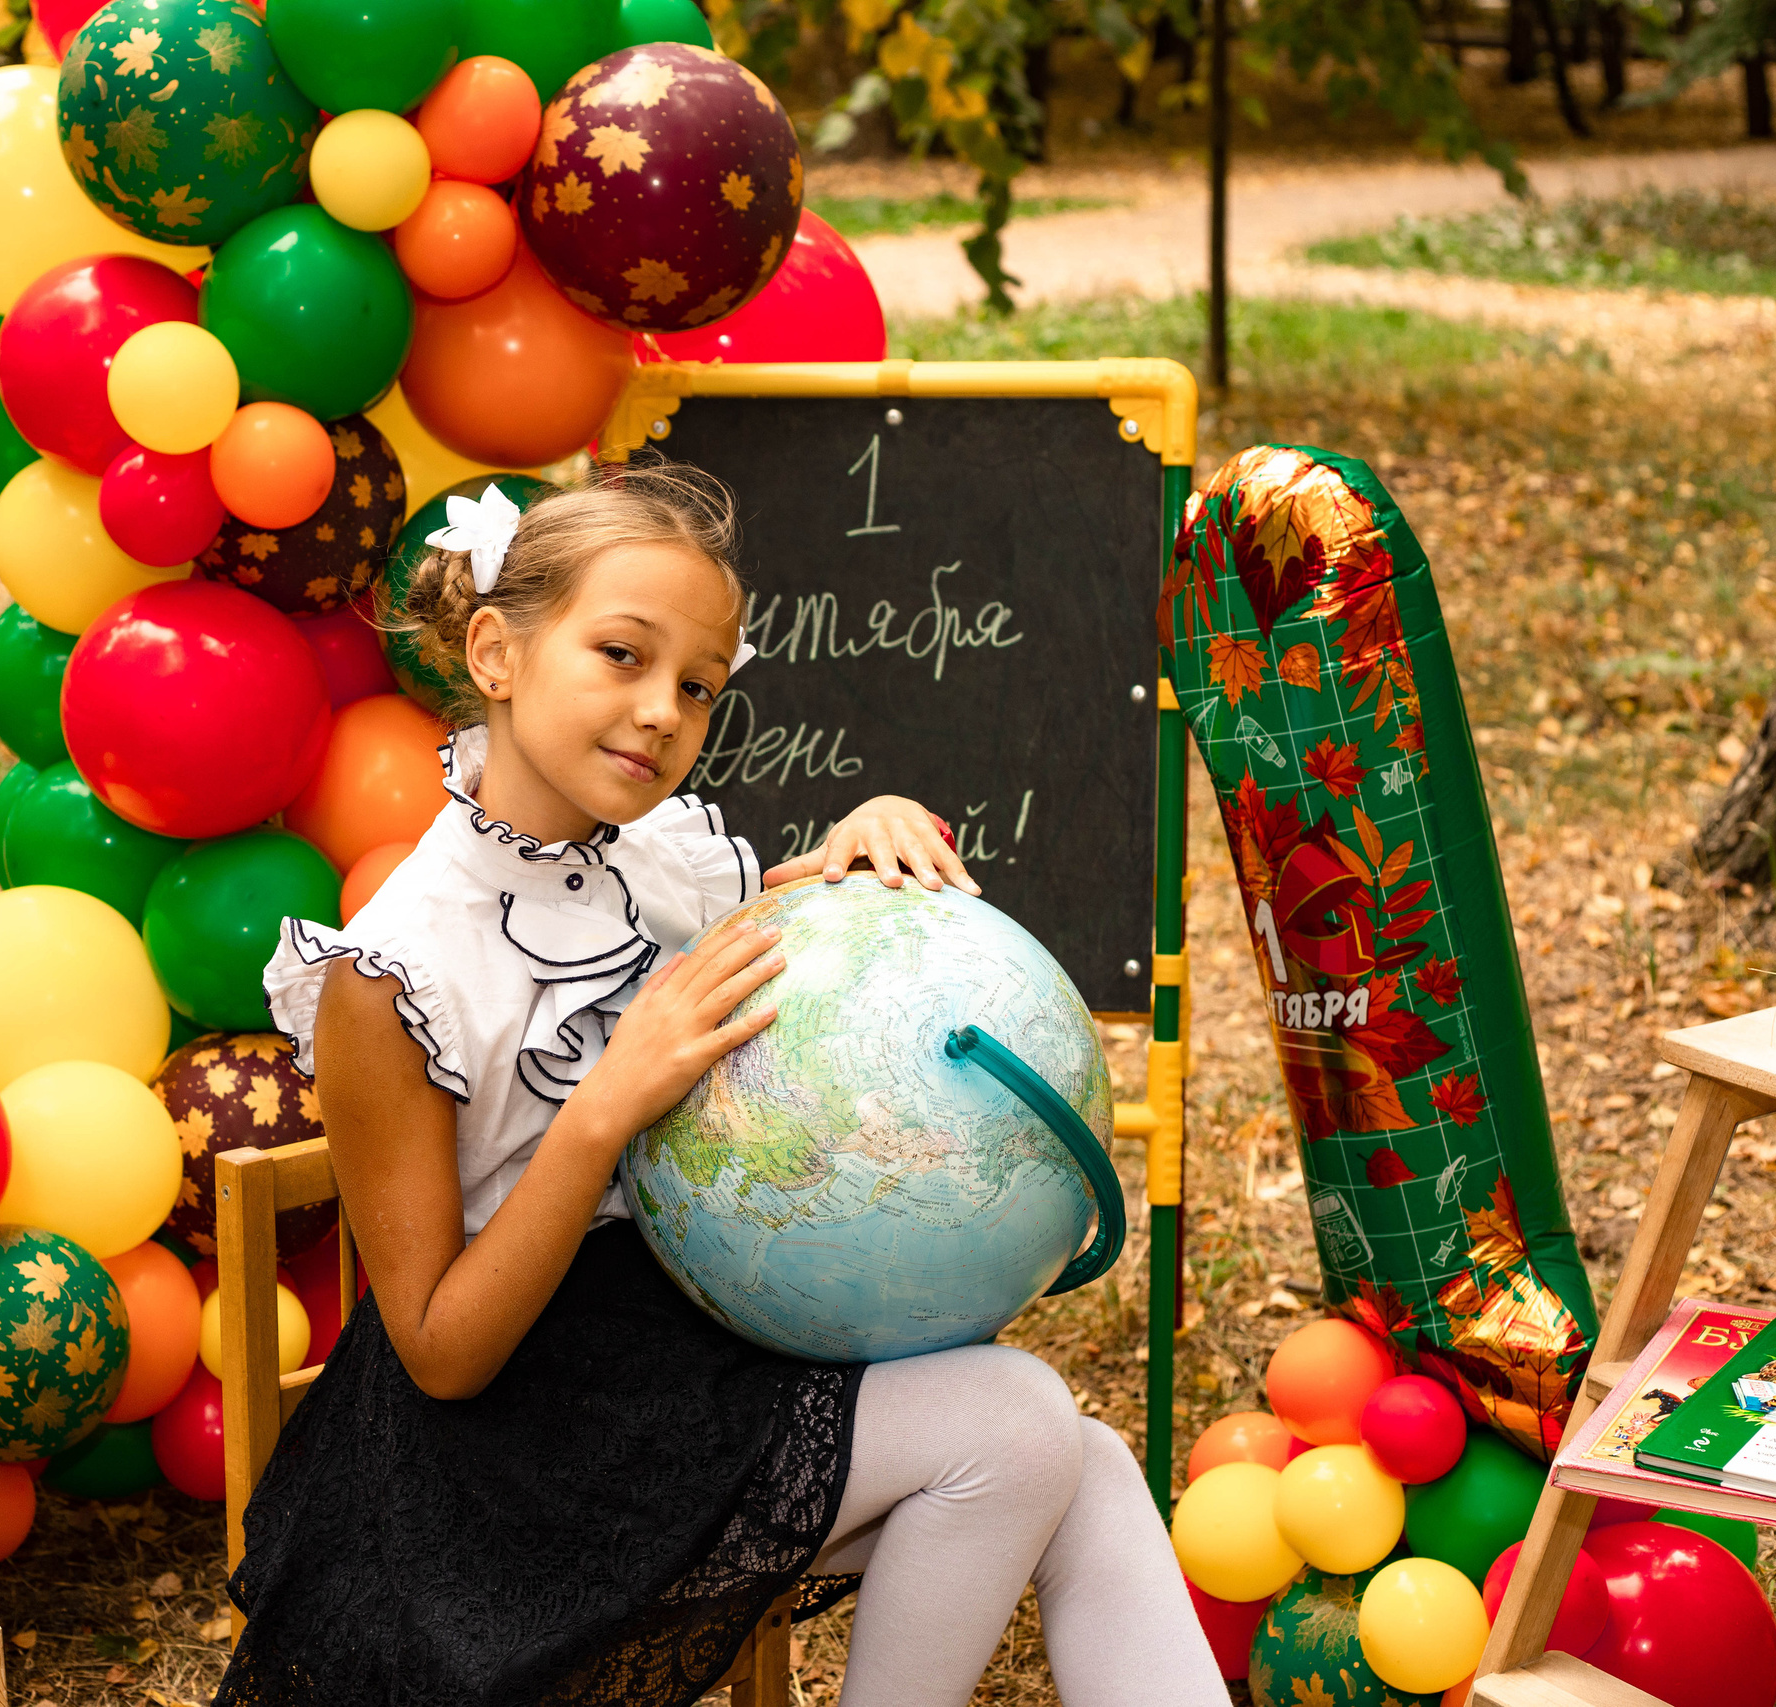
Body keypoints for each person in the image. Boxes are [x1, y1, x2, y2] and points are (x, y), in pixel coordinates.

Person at [223, 463, 1224, 1707]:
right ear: (495, 651)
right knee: (1019, 1420)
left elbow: (779, 979)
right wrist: (601, 1110)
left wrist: (867, 840)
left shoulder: (671, 863)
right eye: (621, 656)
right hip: (520, 1454)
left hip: (697, 1351)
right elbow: (439, 1356)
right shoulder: (393, 974)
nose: (661, 712)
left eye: (696, 687)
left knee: (1078, 1462)